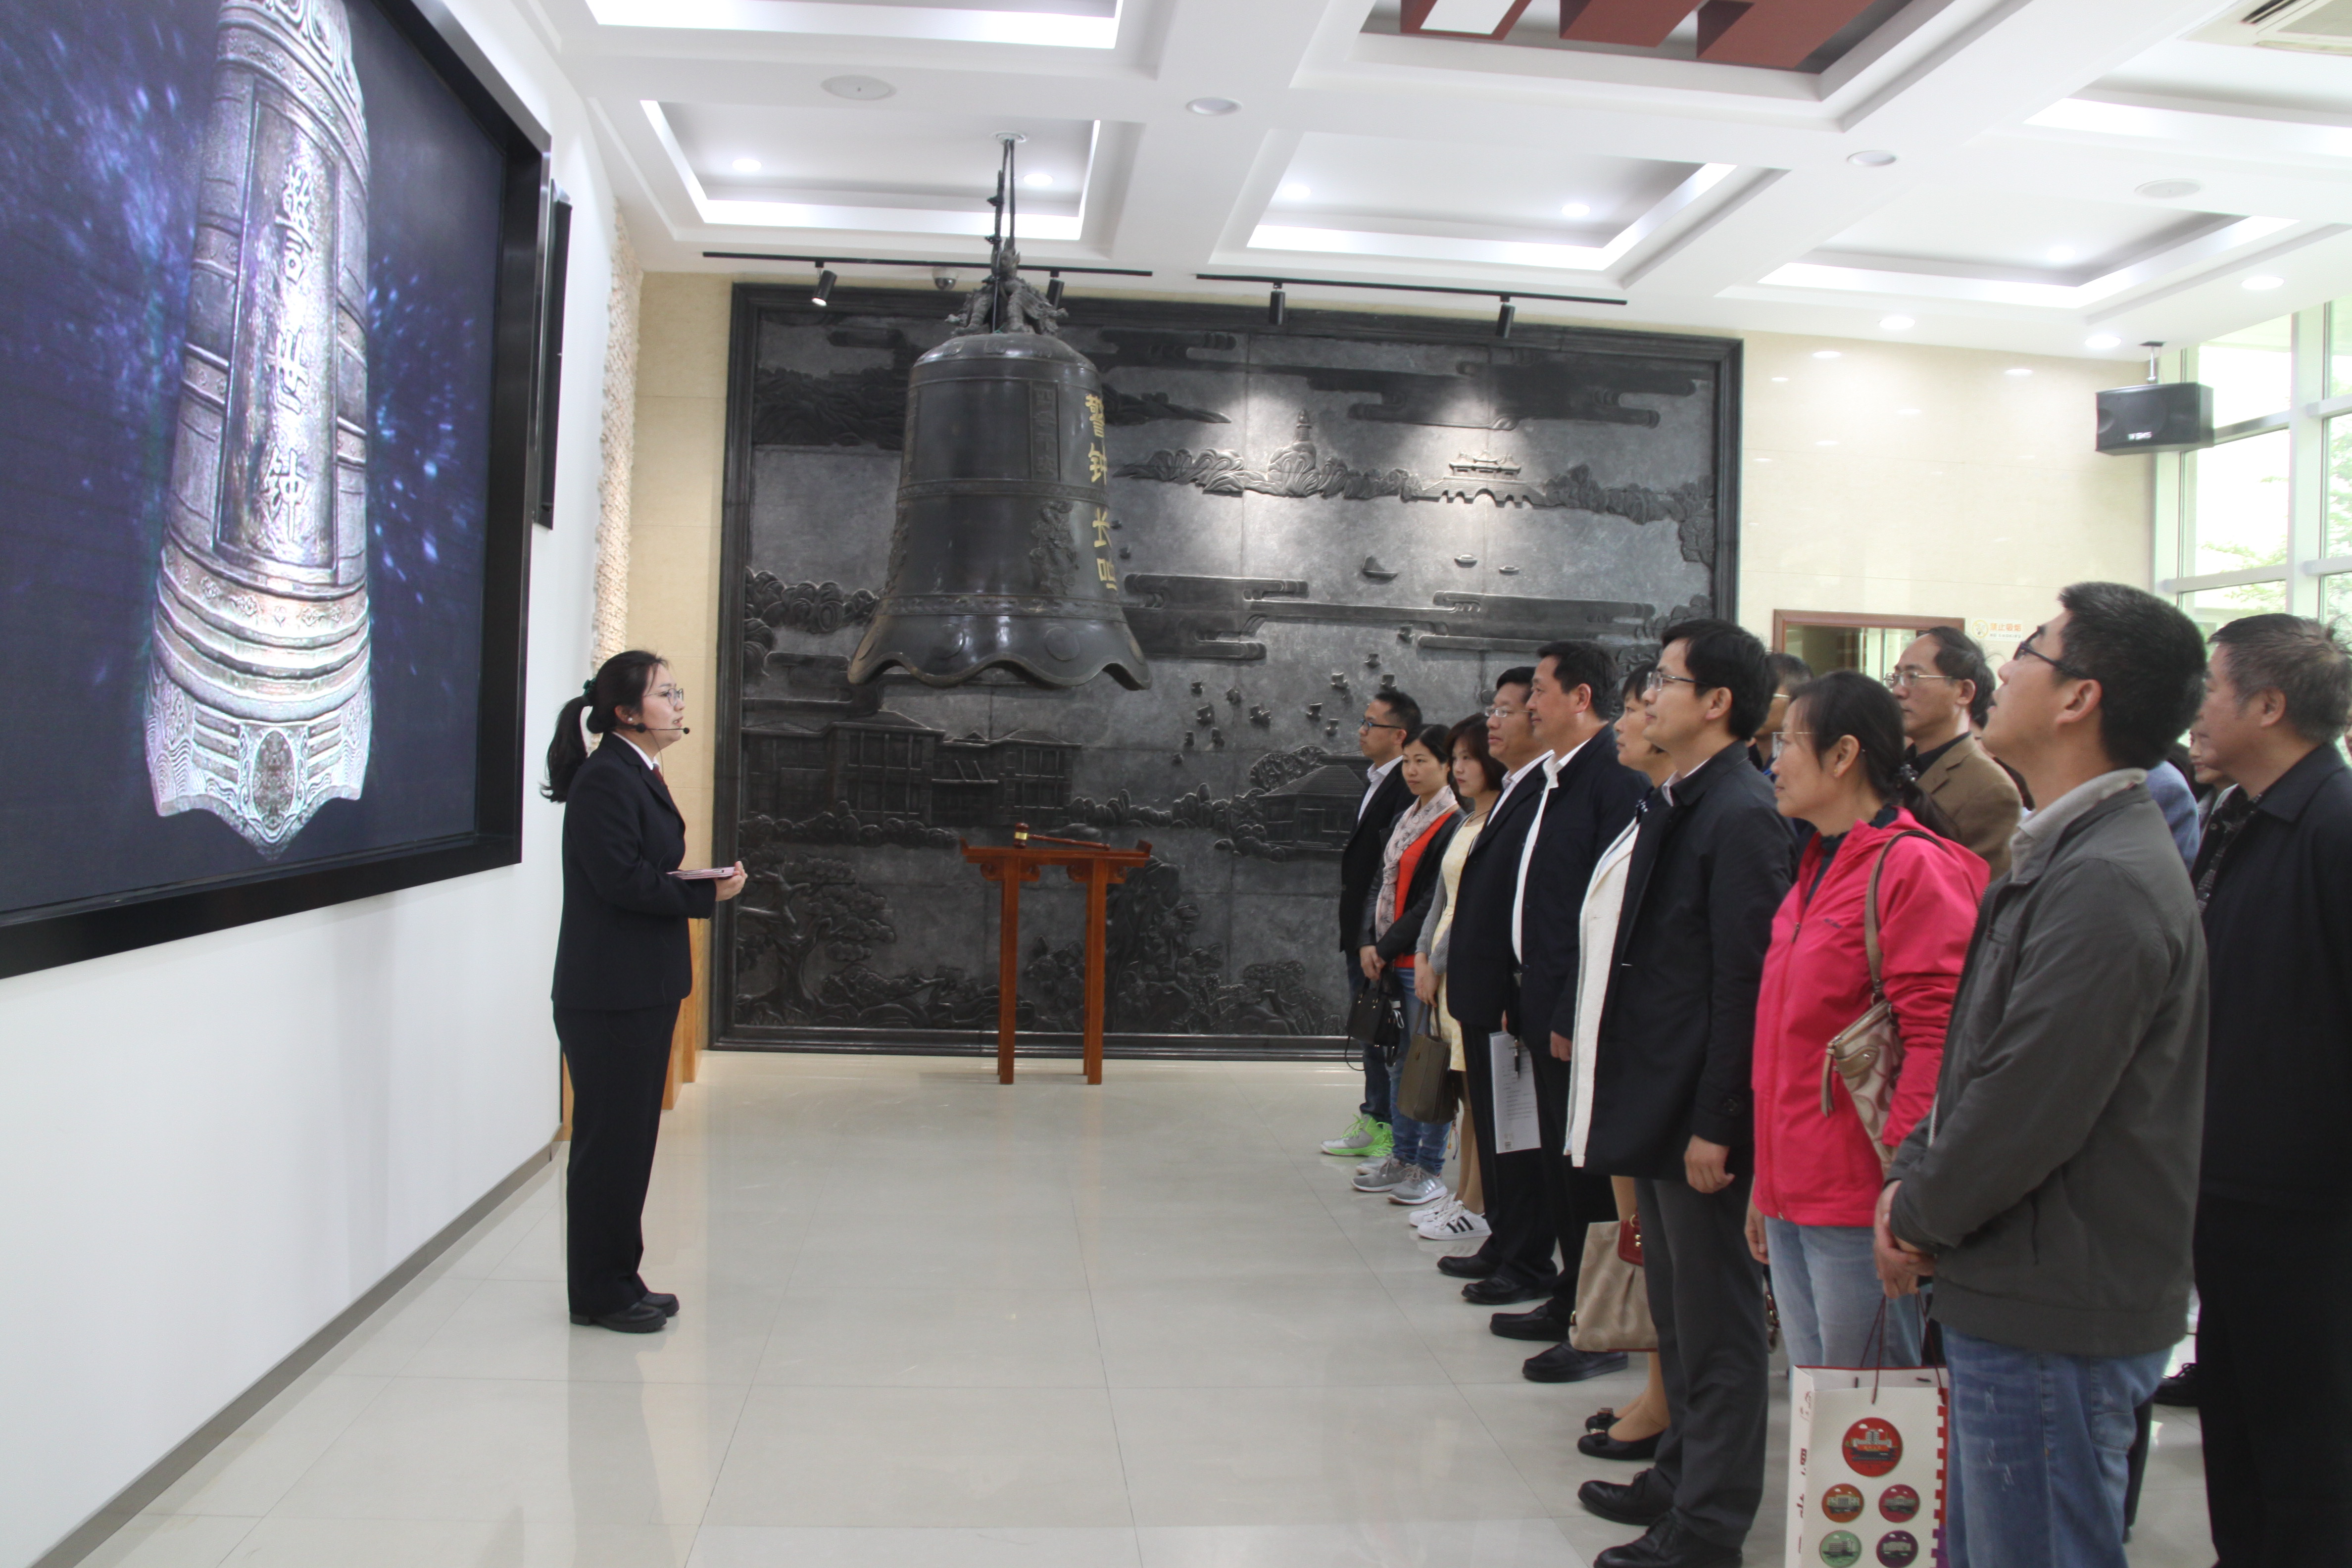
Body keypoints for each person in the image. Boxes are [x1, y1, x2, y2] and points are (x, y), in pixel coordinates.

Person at [1876, 583, 2210, 1568]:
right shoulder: (2064, 847)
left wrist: (1918, 1209)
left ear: (2078, 698)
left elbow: (2028, 1101)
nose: (2005, 670)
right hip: (2015, 1277)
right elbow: (1982, 1055)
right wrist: (1915, 1170)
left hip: (2054, 1296)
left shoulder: (2106, 876)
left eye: (2030, 649)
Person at [1574, 620, 1794, 1568]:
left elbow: (1744, 985)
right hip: (1660, 1097)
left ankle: (1707, 1528)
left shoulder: (1741, 812)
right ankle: (1675, 1477)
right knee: (1675, 1309)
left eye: (1664, 680)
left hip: (1701, 1116)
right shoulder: (1679, 797)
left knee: (1717, 1328)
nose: (1648, 695)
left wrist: (1718, 1122)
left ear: (1716, 702)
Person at [1744, 672, 1985, 1372]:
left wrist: (1900, 1189)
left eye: (1789, 744)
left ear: (1844, 754)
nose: (1774, 764)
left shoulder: (1910, 867)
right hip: (1792, 1187)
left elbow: (1939, 1040)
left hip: (1858, 1196)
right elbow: (1787, 1041)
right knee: (1819, 1397)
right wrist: (1765, 1182)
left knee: (1867, 1410)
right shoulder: (1816, 863)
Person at [2178, 615, 2352, 1566]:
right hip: (2226, 1178)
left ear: (2269, 705)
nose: (2197, 710)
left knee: (2304, 1442)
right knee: (2236, 1420)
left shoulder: (2332, 824)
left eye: (2212, 688)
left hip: (2304, 1203)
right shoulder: (2235, 816)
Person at [546, 651, 745, 1333]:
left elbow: (640, 869)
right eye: (666, 693)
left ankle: (621, 1278)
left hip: (639, 985)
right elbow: (621, 881)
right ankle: (598, 1293)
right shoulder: (608, 777)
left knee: (630, 1144)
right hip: (611, 992)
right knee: (609, 1146)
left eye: (678, 691)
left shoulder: (636, 770)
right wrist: (703, 894)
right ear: (627, 712)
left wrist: (698, 883)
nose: (679, 702)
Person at [1486, 642, 1649, 1382]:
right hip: (1540, 994)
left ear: (1581, 698)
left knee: (1584, 1173)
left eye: (1541, 692)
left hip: (1573, 1008)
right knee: (1556, 1162)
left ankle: (1600, 1322)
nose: (1529, 705)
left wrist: (1567, 1008)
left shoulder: (1612, 778)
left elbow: (1604, 911)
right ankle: (1569, 1296)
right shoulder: (1558, 776)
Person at [1569, 662, 1680, 1462]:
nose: (1624, 721)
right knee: (1643, 1241)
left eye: (1641, 707)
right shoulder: (1652, 806)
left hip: (1657, 1076)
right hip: (1624, 1062)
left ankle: (1667, 1403)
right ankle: (1655, 1389)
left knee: (1663, 1250)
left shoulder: (1709, 815)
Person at [1437, 668, 1558, 1305]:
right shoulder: (1515, 790)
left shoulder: (1543, 791)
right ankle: (1505, 1238)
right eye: (1497, 708)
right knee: (1496, 1128)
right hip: (1481, 993)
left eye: (1511, 708)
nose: (1497, 720)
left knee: (1521, 1135)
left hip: (1512, 995)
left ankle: (1527, 1256)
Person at [1353, 725, 1462, 1207]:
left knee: (1429, 1067)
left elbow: (1430, 903)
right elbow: (1380, 884)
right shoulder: (1405, 818)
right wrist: (1367, 941)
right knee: (1398, 1064)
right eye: (1408, 762)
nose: (1412, 771)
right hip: (1388, 958)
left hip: (1419, 961)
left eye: (1424, 761)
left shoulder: (1454, 822)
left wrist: (1388, 945)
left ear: (1447, 766)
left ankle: (1429, 1167)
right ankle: (1401, 1156)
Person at [1411, 717, 1507, 1242]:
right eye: (1457, 758)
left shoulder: (1501, 822)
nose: (1460, 768)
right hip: (1444, 970)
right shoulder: (1469, 820)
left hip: (1464, 968)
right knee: (1467, 1097)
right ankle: (1464, 1195)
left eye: (1470, 757)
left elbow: (1474, 908)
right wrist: (1423, 954)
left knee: (1480, 1098)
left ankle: (1478, 1200)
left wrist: (1438, 962)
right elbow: (1441, 902)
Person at [1323, 688, 1421, 1159]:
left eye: (1371, 724)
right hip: (1361, 930)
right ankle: (1376, 1118)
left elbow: (1393, 871)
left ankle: (1388, 1129)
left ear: (1399, 735)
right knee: (1370, 1027)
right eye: (1362, 722)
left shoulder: (1406, 787)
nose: (1361, 731)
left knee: (1385, 1031)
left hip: (1381, 936)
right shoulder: (1376, 779)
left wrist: (1374, 938)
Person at [1889, 626, 2022, 879]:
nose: (1898, 690)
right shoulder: (1892, 765)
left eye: (1913, 677)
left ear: (1964, 692)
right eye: (1896, 677)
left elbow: (1978, 891)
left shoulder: (1991, 789)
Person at [1750, 651, 1813, 771]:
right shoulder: (1740, 761)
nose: (1749, 702)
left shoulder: (1804, 771)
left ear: (1796, 702)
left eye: (1763, 695)